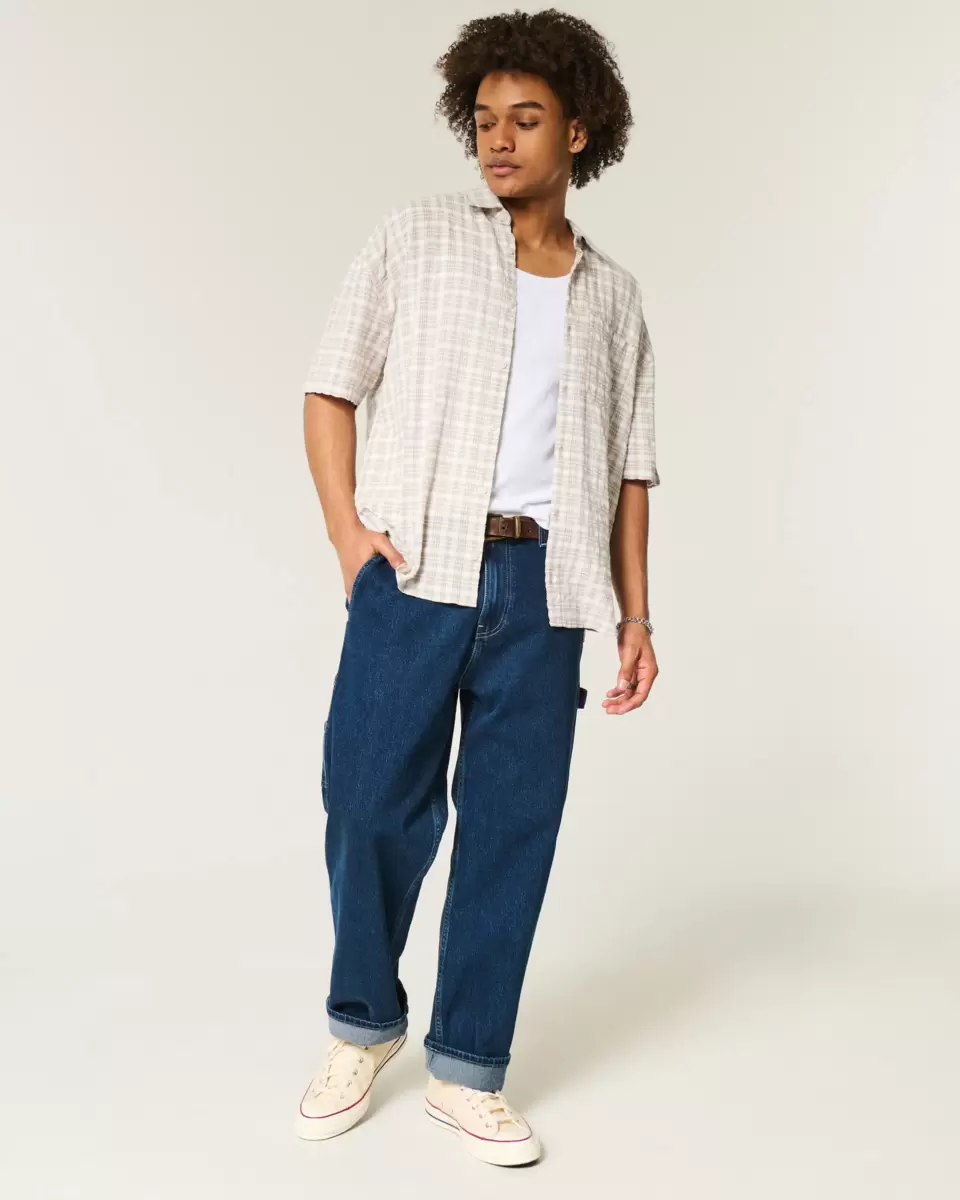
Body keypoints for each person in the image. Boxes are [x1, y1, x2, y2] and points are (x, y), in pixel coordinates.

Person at [296, 8, 659, 1167]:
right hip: (415, 573)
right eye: (485, 119)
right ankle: (363, 1026)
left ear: (578, 130)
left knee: (512, 829)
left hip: (549, 588)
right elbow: (330, 387)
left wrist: (636, 613)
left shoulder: (614, 296)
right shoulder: (416, 240)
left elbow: (630, 469)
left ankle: (468, 1067)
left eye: (526, 119)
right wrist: (350, 539)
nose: (499, 139)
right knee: (367, 804)